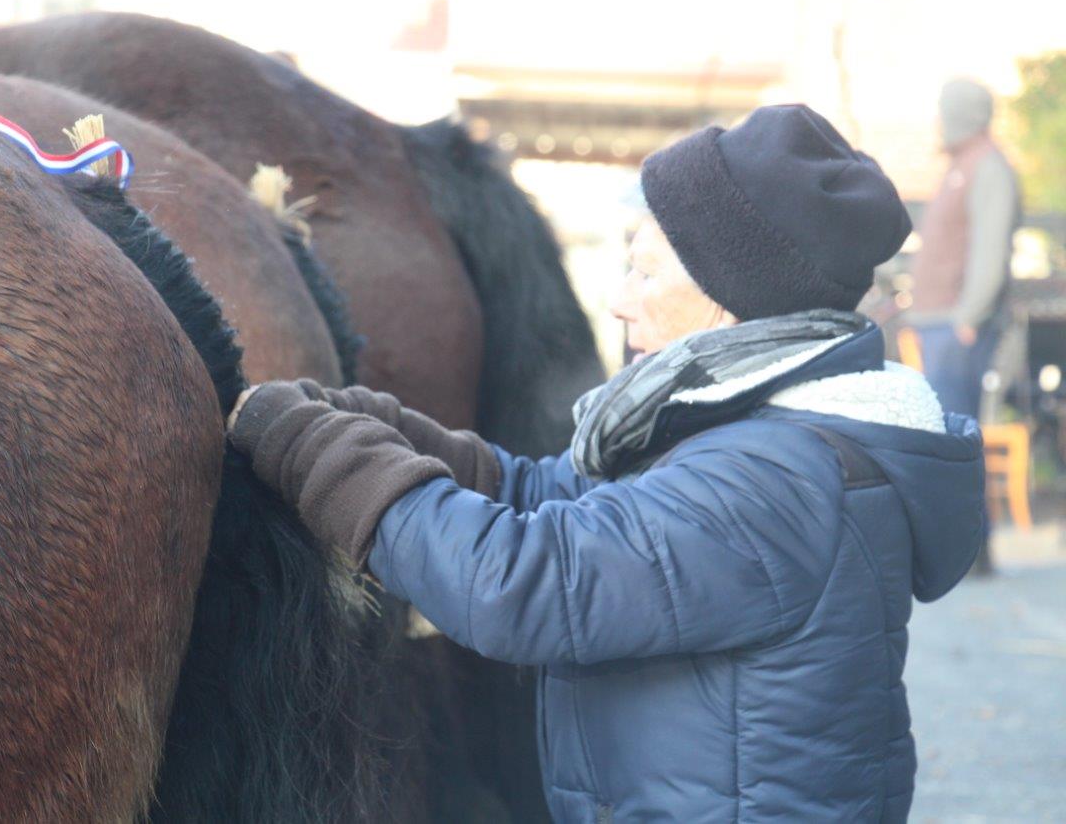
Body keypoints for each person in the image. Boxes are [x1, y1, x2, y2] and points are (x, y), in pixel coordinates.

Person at [229, 105, 984, 823]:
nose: (621, 303)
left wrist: (315, 452)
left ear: (731, 299)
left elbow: (522, 581)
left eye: (646, 272)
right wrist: (385, 429)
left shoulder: (773, 482)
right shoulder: (755, 435)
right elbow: (560, 499)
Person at [909, 77, 1020, 575]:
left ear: (964, 114)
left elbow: (990, 251)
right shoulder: (960, 167)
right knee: (946, 438)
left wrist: (968, 318)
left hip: (958, 327)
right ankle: (963, 548)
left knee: (956, 440)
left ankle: (974, 551)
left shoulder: (988, 168)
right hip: (939, 323)